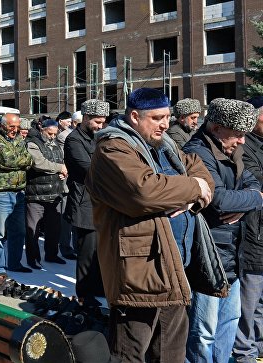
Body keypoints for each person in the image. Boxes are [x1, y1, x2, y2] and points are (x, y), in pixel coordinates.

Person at [86, 88, 215, 362]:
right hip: (138, 274)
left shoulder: (166, 145)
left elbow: (198, 167)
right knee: (129, 354)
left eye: (167, 117)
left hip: (174, 267)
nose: (165, 124)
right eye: (157, 118)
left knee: (171, 354)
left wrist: (193, 199)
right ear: (134, 116)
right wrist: (193, 187)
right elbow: (143, 191)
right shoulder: (113, 148)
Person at [183, 98, 263, 363]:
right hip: (208, 254)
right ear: (216, 128)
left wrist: (252, 198)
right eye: (238, 134)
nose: (242, 141)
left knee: (230, 321)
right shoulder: (197, 151)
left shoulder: (232, 150)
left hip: (232, 251)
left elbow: (253, 185)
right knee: (204, 330)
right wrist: (254, 198)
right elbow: (218, 200)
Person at [64, 99, 108, 303]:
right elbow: (89, 168)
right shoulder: (74, 140)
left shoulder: (98, 137)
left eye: (103, 122)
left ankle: (98, 288)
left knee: (100, 252)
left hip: (100, 203)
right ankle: (84, 294)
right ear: (86, 118)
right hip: (84, 203)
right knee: (86, 253)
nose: (101, 126)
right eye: (97, 121)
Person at [0, 113, 33, 275]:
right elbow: (7, 160)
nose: (16, 129)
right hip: (2, 191)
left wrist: (20, 159)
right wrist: (21, 159)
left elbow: (30, 160)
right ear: (4, 125)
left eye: (18, 126)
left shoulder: (19, 138)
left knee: (19, 231)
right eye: (12, 126)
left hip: (19, 190)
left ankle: (14, 263)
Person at [234, 96, 263, 362]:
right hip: (252, 233)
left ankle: (258, 347)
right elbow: (255, 183)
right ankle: (245, 352)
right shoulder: (244, 147)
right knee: (249, 299)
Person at [24, 119, 69, 268]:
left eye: (55, 134)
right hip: (35, 194)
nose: (52, 136)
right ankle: (33, 258)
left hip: (55, 193)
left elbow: (64, 164)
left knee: (54, 229)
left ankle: (52, 254)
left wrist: (64, 173)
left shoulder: (56, 145)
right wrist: (59, 168)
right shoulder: (32, 143)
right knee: (33, 230)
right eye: (50, 133)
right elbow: (38, 163)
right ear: (42, 129)